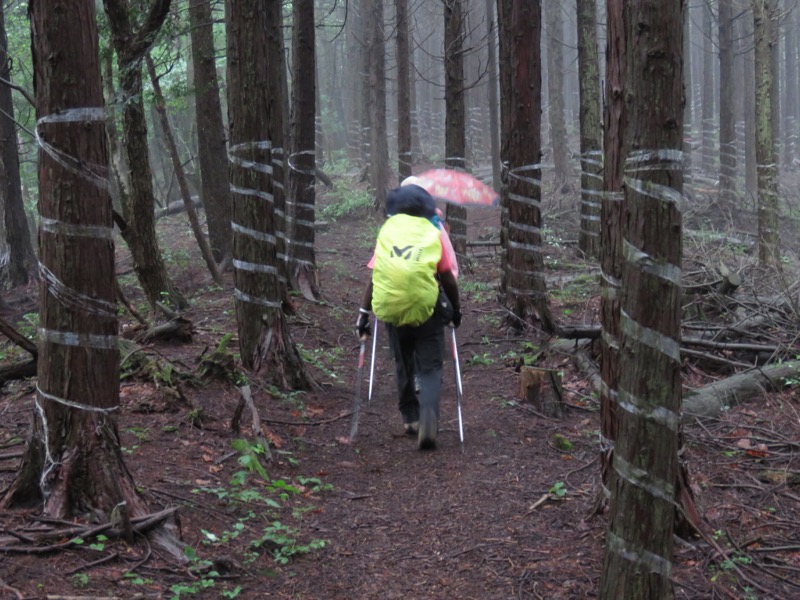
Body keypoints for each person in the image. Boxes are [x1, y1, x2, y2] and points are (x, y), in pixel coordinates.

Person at [357, 183, 461, 450]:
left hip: (391, 307)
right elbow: (447, 277)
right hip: (426, 308)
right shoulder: (432, 231)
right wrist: (455, 309)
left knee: (403, 362)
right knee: (430, 366)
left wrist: (363, 314)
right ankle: (428, 418)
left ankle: (410, 419)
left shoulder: (388, 232)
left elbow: (374, 275)